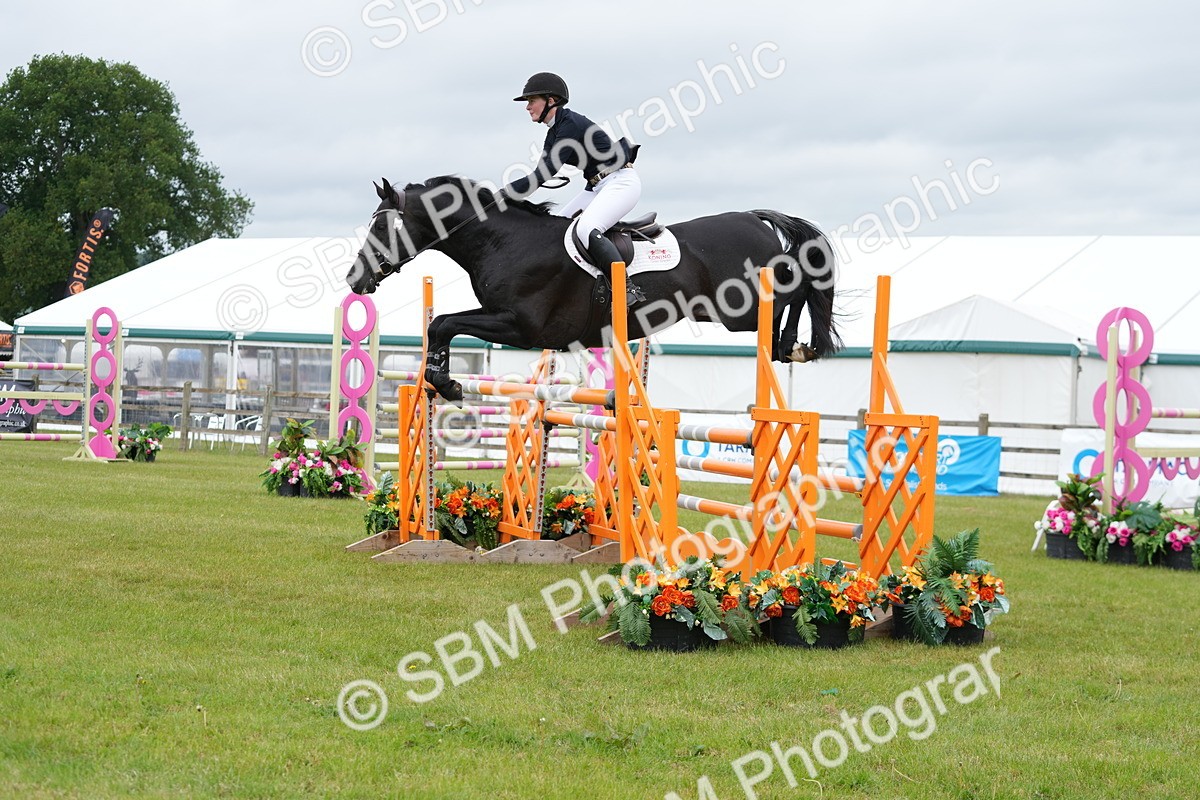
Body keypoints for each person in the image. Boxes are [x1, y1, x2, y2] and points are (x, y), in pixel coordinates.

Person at [503, 72, 646, 304]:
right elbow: (539, 174)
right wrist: (506, 196)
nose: (527, 107)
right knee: (555, 229)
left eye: (532, 101)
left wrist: (505, 194)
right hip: (597, 187)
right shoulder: (554, 132)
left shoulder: (569, 124)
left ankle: (627, 288)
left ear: (551, 101)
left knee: (586, 228)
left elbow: (544, 174)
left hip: (621, 182)